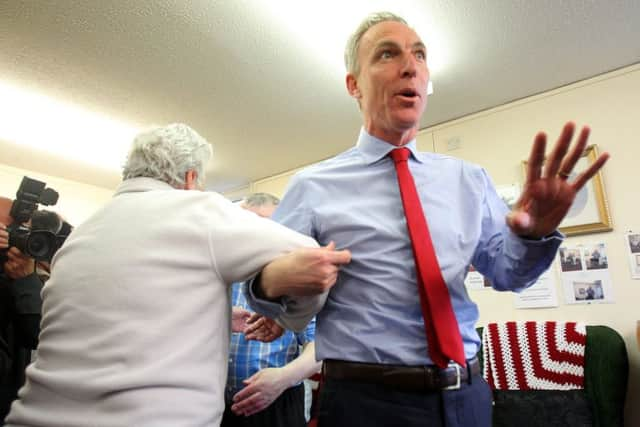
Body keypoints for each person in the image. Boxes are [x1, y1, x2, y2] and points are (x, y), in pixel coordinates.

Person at [246, 12, 609, 427]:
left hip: (466, 396)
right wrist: (271, 283)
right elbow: (263, 289)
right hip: (365, 404)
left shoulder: (468, 179)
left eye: (419, 55)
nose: (410, 66)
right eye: (388, 54)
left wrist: (537, 233)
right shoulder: (312, 186)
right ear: (354, 85)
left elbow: (509, 274)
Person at [5, 124, 351, 427]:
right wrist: (284, 316)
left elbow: (118, 310)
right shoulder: (199, 210)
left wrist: (216, 316)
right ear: (190, 179)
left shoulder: (82, 233)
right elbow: (317, 260)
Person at [223, 193, 321, 427]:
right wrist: (222, 319)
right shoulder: (222, 274)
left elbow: (320, 346)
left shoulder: (296, 282)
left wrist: (284, 378)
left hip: (277, 403)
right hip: (218, 406)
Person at [0, 198, 45, 424]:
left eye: (23, 231)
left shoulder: (27, 281)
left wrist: (26, 281)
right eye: (8, 231)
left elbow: (36, 335)